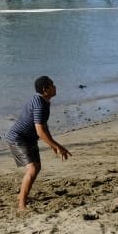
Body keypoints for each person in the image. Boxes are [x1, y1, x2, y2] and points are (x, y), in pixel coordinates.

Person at [5, 75, 71, 211]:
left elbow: (43, 126)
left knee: (37, 168)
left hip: (29, 138)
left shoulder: (43, 101)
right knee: (33, 169)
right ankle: (21, 205)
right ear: (45, 89)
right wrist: (58, 146)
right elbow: (40, 131)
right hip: (18, 138)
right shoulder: (40, 104)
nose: (55, 86)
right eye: (52, 85)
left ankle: (21, 196)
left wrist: (52, 144)